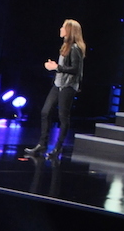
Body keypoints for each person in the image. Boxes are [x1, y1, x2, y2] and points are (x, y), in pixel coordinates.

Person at [24, 19, 86, 161]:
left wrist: (56, 67)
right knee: (45, 111)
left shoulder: (75, 48)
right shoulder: (65, 46)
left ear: (69, 30)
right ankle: (42, 144)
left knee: (63, 116)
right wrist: (55, 66)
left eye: (63, 27)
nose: (61, 29)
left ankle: (58, 147)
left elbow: (75, 69)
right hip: (58, 84)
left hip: (68, 86)